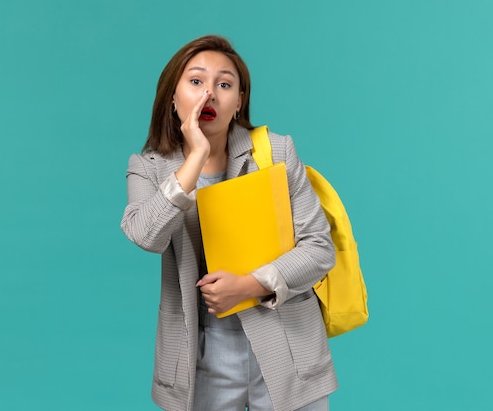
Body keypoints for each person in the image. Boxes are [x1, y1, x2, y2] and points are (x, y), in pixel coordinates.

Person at [121, 35, 337, 411]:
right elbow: (146, 236)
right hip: (202, 359)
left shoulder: (276, 152)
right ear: (173, 97)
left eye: (224, 84)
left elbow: (319, 247)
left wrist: (252, 285)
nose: (210, 94)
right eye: (196, 81)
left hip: (287, 347)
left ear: (239, 102)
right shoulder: (149, 168)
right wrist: (196, 158)